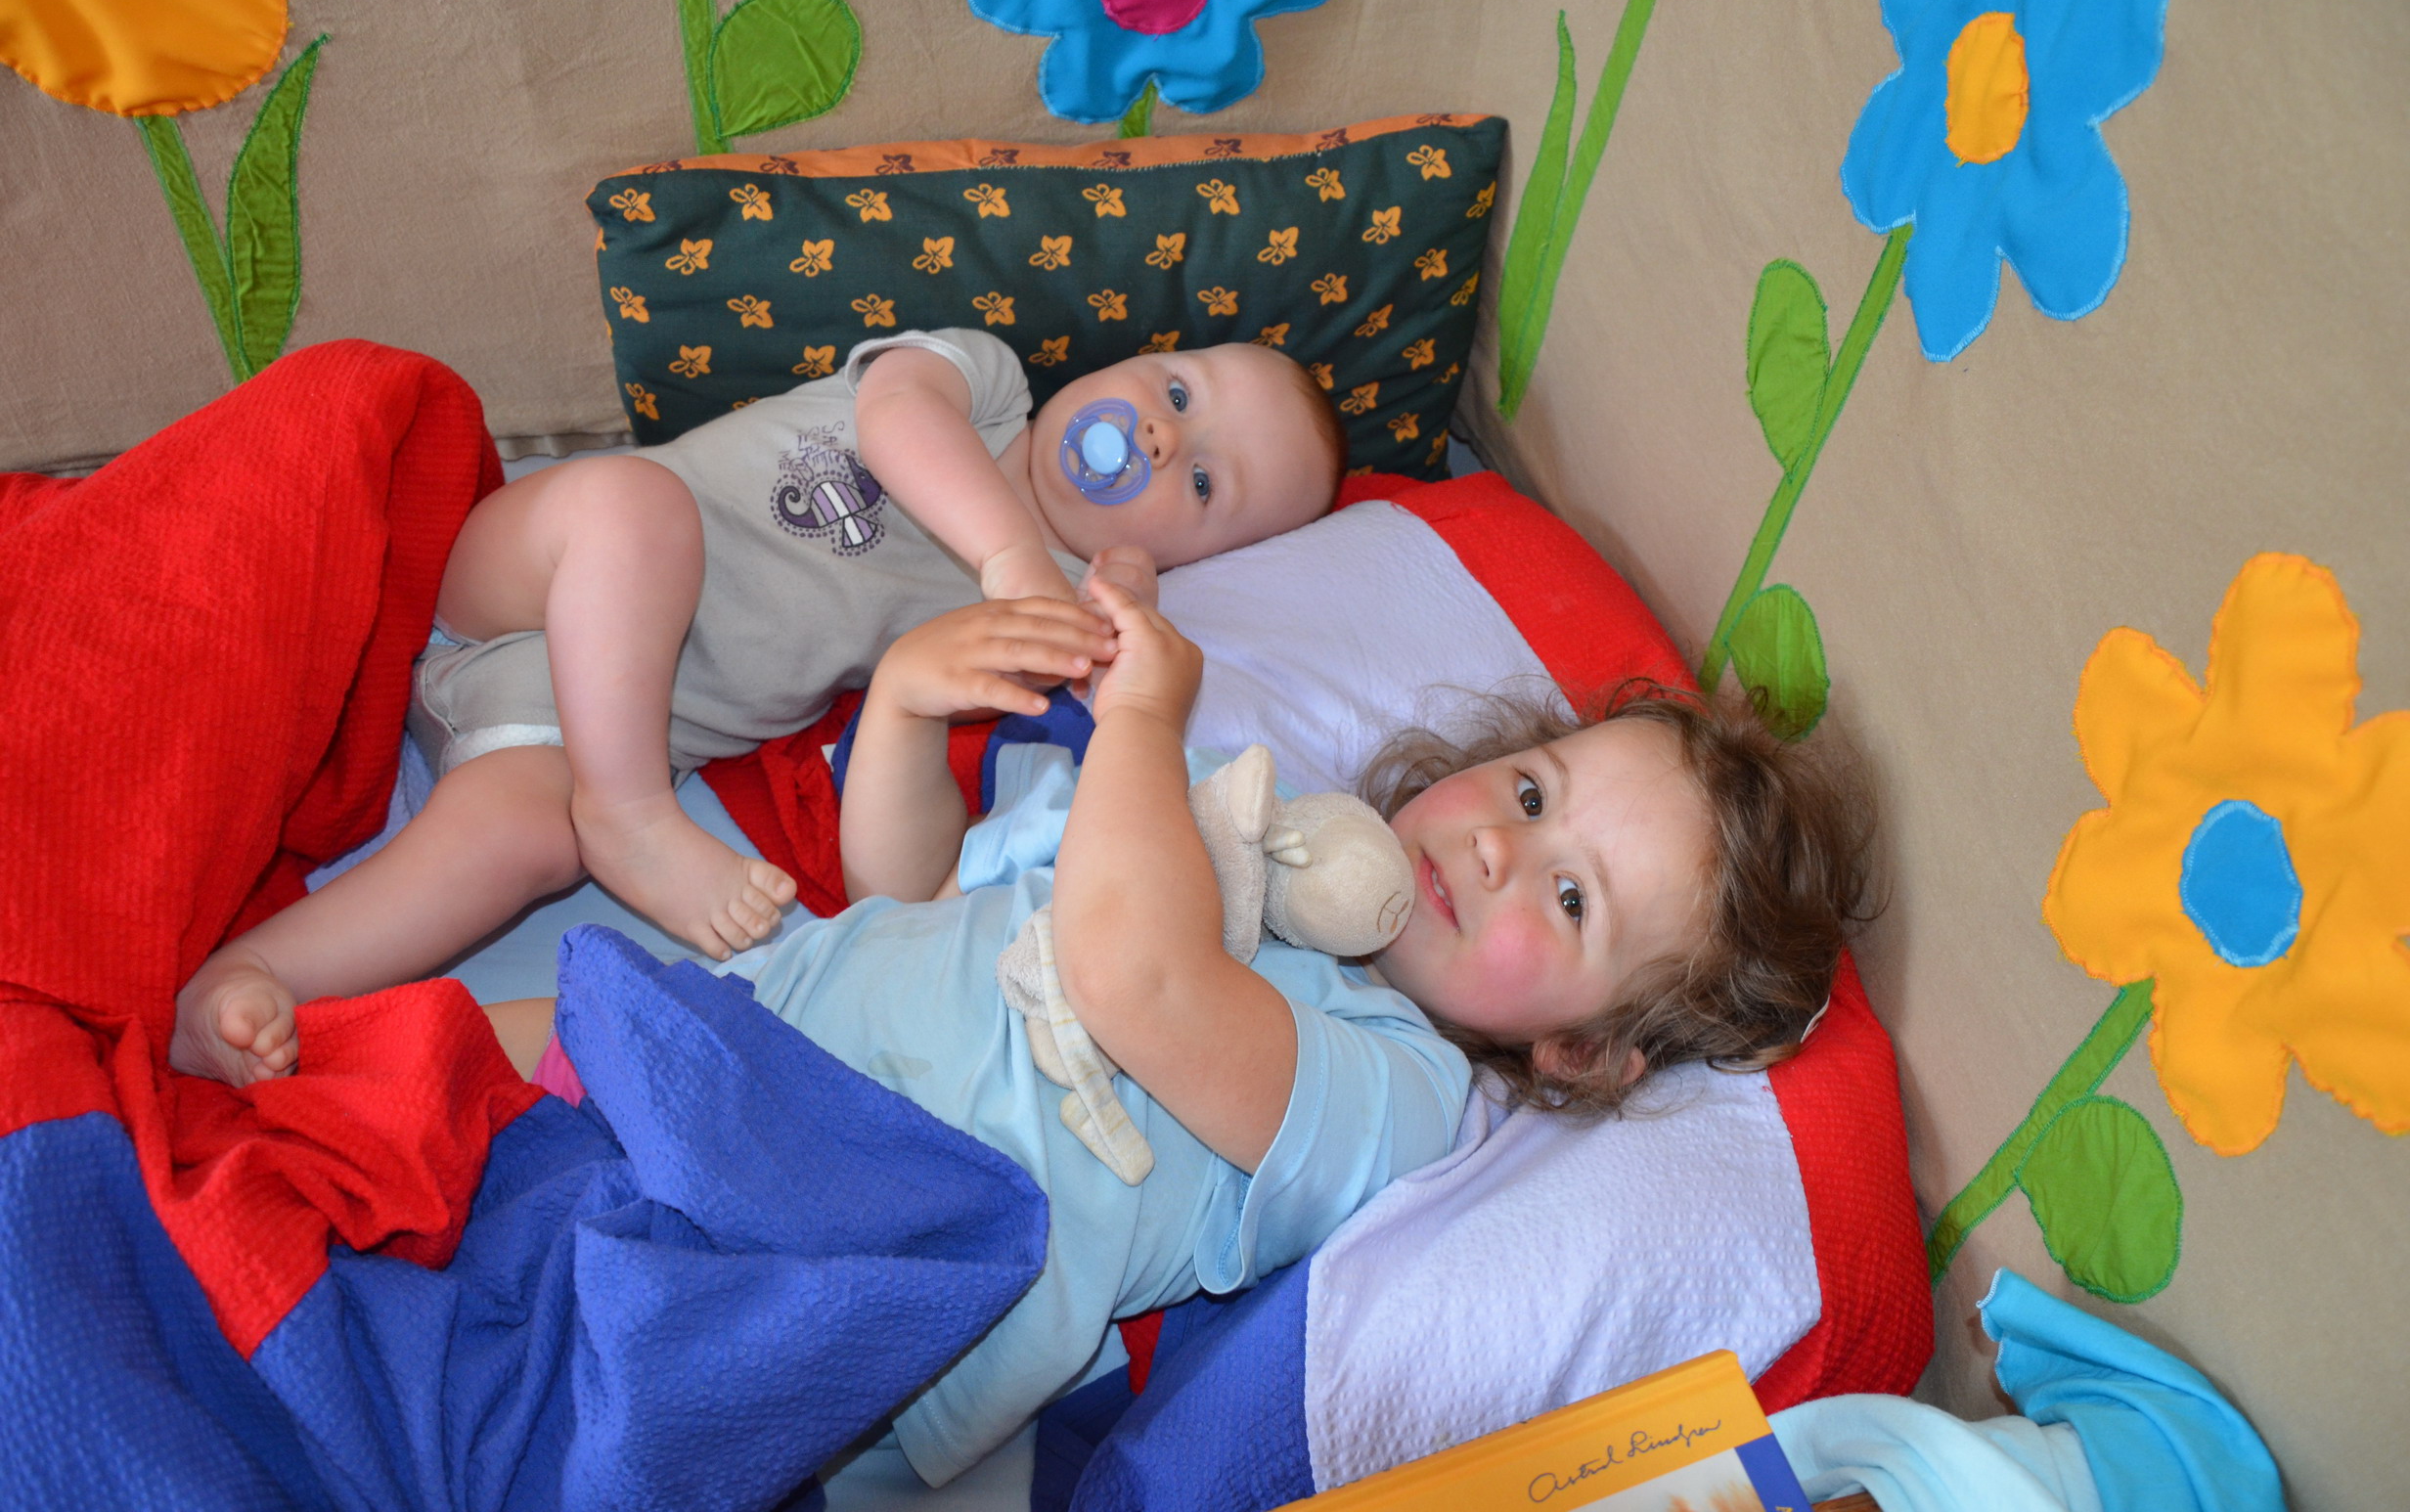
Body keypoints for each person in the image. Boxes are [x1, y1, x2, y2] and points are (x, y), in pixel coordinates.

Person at [485, 583, 1875, 1483]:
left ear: (1575, 1051)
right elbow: (919, 897)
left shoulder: (1394, 1093)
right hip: (742, 1027)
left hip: (837, 1239)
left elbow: (1131, 980)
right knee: (435, 1061)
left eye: (1571, 900)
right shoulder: (1233, 817)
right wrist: (905, 706)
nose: (1502, 850)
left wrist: (1142, 722)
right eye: (1529, 793)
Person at [171, 329, 1347, 1086]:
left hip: (584, 724)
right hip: (530, 573)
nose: (1161, 434)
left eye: (1203, 481)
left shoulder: (1043, 619)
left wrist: (1118, 601)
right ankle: (631, 820)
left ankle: (248, 983)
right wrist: (1009, 554)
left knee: (523, 840)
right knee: (636, 508)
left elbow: (1082, 723)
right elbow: (897, 416)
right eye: (1178, 390)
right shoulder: (986, 383)